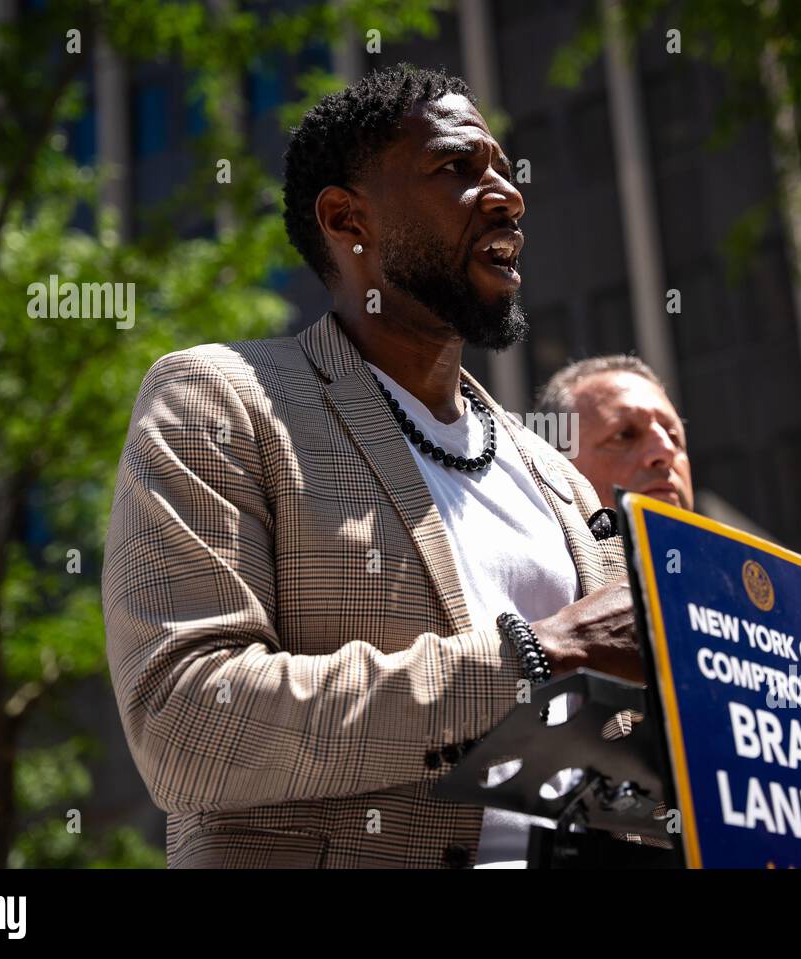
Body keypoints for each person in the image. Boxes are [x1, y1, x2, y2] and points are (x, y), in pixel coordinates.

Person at [102, 66, 642, 869]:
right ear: (346, 218)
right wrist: (540, 650)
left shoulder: (555, 478)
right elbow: (189, 729)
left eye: (501, 166)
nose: (507, 194)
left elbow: (636, 768)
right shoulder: (223, 401)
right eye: (457, 168)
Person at [538, 354, 801, 681]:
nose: (665, 452)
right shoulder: (533, 591)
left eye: (675, 436)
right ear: (556, 463)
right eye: (624, 435)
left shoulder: (740, 605)